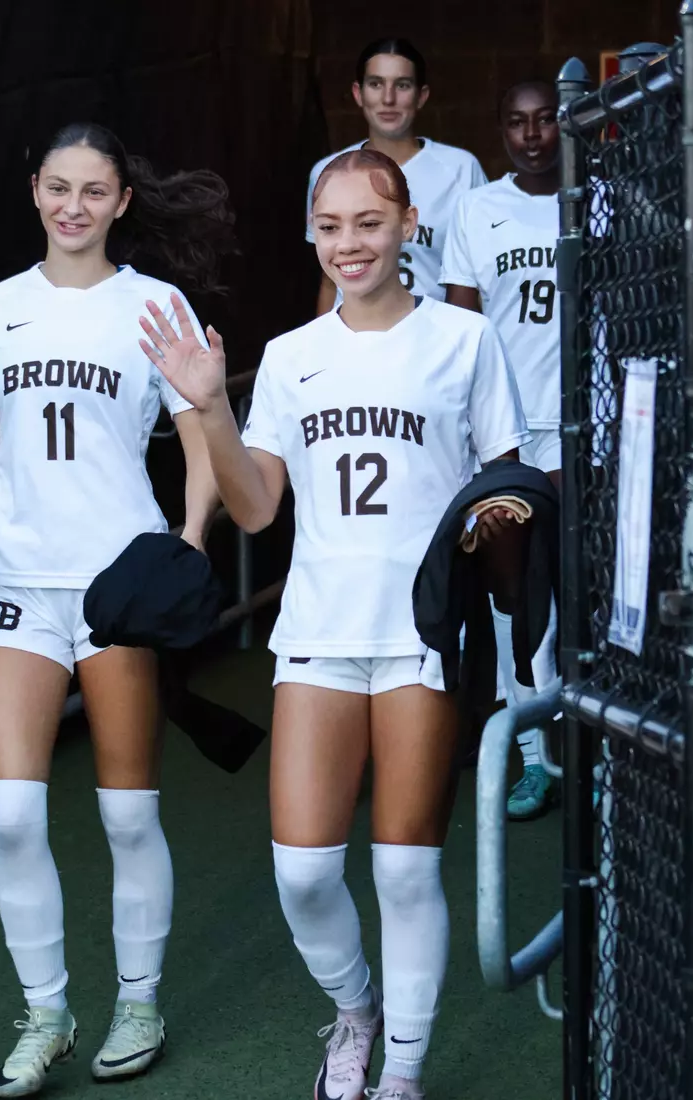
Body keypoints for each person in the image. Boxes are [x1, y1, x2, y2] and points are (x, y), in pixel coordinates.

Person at [139, 148, 529, 1100]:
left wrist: (496, 516)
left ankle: (401, 1074)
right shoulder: (290, 356)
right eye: (331, 225)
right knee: (305, 872)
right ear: (312, 233)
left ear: (407, 229)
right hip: (318, 630)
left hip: (424, 634)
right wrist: (208, 410)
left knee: (403, 871)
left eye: (368, 222)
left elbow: (508, 479)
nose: (349, 242)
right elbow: (259, 507)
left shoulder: (465, 341)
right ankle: (355, 1011)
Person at [0, 122, 228, 1098]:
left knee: (127, 814)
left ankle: (139, 996)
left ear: (122, 200)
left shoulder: (154, 305)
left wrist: (191, 539)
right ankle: (46, 1009)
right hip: (16, 585)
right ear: (34, 189)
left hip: (116, 584)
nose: (74, 206)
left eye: (94, 190)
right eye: (59, 187)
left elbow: (205, 439)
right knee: (11, 815)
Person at [440, 79, 562, 820]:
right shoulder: (478, 208)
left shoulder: (600, 199)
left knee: (587, 589)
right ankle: (532, 757)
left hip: (588, 425)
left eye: (547, 119)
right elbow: (463, 327)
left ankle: (600, 744)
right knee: (512, 596)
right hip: (507, 432)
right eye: (517, 122)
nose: (534, 134)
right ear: (500, 131)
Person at [306, 36, 486, 317]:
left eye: (402, 85)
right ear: (358, 93)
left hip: (433, 335)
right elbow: (329, 280)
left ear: (421, 96)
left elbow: (477, 275)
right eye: (376, 84)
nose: (388, 98)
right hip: (355, 337)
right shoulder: (330, 171)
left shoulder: (461, 168)